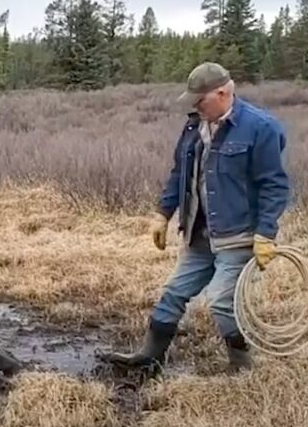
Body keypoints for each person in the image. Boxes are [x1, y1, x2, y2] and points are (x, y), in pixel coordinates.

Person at [104, 61, 291, 375]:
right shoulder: (194, 126)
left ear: (223, 92)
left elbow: (275, 184)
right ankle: (149, 357)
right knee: (173, 293)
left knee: (220, 299)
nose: (194, 106)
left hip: (239, 235)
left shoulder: (261, 127)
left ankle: (241, 367)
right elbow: (180, 173)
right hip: (199, 231)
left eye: (199, 99)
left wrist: (266, 232)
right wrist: (163, 214)